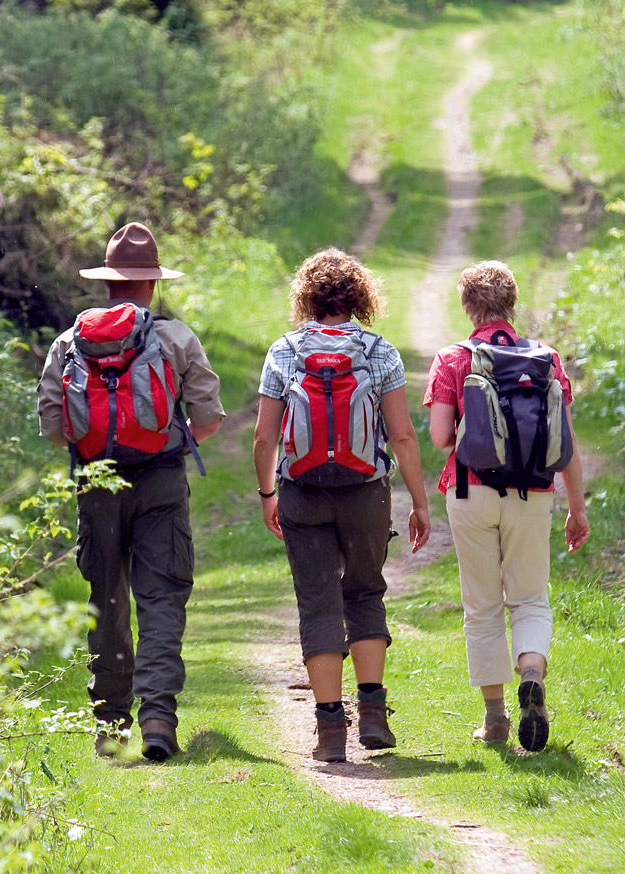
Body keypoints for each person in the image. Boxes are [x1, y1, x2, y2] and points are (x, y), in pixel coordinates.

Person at [37, 222, 225, 762]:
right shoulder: (176, 337)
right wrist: (165, 436)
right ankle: (158, 721)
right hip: (162, 479)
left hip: (96, 482)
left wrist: (103, 441)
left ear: (109, 282)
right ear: (151, 284)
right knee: (161, 595)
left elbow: (54, 426)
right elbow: (208, 418)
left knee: (107, 599)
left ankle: (111, 727)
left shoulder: (69, 342)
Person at [253, 248, 431, 763]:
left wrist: (269, 494)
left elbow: (265, 439)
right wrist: (419, 503)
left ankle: (331, 731)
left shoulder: (284, 351)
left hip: (301, 492)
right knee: (365, 593)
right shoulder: (379, 352)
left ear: (306, 297)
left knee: (318, 603)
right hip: (365, 492)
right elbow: (401, 433)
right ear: (359, 296)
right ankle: (372, 714)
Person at [424, 260, 589, 751]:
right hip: (533, 492)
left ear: (468, 306)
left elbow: (437, 438)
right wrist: (576, 508)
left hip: (469, 491)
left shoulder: (453, 358)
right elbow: (567, 440)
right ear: (512, 304)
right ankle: (532, 671)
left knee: (482, 605)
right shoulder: (546, 357)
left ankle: (495, 719)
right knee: (531, 597)